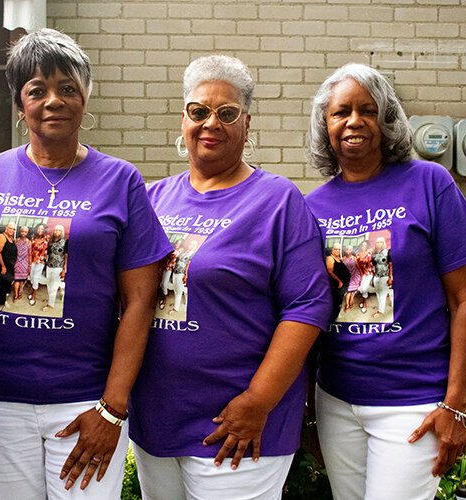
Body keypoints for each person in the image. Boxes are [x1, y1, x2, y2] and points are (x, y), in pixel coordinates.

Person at [0, 28, 171, 499]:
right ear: (18, 103)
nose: (54, 100)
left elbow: (141, 300)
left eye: (68, 88)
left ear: (85, 96)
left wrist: (112, 408)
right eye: (37, 90)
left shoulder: (120, 181)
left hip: (86, 398)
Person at [128, 55, 332, 500]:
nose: (210, 124)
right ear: (184, 119)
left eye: (227, 113)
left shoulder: (278, 201)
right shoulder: (151, 199)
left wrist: (258, 401)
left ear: (247, 123)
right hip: (156, 421)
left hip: (236, 425)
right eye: (199, 112)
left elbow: (307, 306)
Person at [305, 62, 466, 499]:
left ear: (386, 120)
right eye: (341, 112)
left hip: (413, 401)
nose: (354, 121)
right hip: (337, 399)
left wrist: (456, 403)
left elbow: (464, 301)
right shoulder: (311, 207)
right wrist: (310, 412)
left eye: (367, 110)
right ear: (325, 125)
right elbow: (310, 311)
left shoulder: (430, 183)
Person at [43, 224, 68, 312]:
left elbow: (66, 256)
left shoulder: (65, 242)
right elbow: (48, 253)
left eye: (59, 230)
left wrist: (64, 269)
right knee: (49, 284)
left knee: (54, 286)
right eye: (56, 230)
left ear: (62, 232)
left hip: (58, 267)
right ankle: (51, 299)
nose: (57, 232)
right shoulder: (51, 241)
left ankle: (50, 305)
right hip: (49, 266)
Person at [325, 242, 350, 319]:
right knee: (336, 300)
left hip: (344, 283)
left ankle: (336, 313)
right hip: (338, 284)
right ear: (332, 249)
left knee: (339, 299)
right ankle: (334, 315)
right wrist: (339, 281)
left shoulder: (338, 258)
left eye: (339, 249)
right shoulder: (330, 258)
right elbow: (329, 271)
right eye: (336, 249)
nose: (337, 251)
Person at [0, 222, 17, 308]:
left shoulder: (12, 239)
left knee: (7, 284)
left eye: (14, 229)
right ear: (6, 228)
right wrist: (3, 266)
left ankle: (3, 300)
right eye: (10, 228)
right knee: (2, 285)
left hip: (10, 266)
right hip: (4, 266)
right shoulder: (2, 236)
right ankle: (0, 303)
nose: (12, 230)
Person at [28, 223, 49, 306]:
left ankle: (34, 296)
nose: (40, 230)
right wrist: (29, 261)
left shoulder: (46, 238)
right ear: (36, 229)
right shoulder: (33, 238)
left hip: (40, 261)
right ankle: (32, 291)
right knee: (32, 277)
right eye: (38, 228)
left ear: (44, 230)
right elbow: (30, 250)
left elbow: (48, 250)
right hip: (32, 260)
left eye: (42, 229)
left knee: (36, 277)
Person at [13, 225, 32, 302]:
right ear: (20, 232)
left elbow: (29, 254)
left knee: (21, 280)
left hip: (25, 263)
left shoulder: (29, 242)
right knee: (17, 280)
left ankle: (19, 293)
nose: (23, 233)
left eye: (25, 232)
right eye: (22, 231)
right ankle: (16, 295)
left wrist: (30, 265)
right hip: (17, 263)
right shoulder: (15, 240)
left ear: (27, 233)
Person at [355, 240, 374, 314]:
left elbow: (372, 264)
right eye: (362, 245)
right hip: (362, 273)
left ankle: (365, 304)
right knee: (361, 289)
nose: (364, 246)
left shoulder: (369, 253)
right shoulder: (357, 255)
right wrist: (360, 274)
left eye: (365, 245)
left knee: (364, 288)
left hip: (369, 273)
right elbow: (358, 266)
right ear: (360, 246)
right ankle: (363, 301)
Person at [342, 245, 360, 313]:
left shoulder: (354, 258)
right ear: (345, 250)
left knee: (353, 291)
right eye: (347, 249)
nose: (348, 251)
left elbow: (357, 267)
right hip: (348, 277)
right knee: (348, 291)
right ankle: (347, 305)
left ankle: (351, 301)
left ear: (352, 250)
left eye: (350, 249)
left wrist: (360, 275)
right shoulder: (343, 258)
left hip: (355, 276)